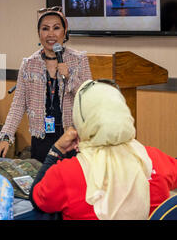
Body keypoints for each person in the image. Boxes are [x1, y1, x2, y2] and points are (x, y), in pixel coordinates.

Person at [30, 80, 177, 220]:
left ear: (81, 122)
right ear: (124, 115)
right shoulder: (154, 158)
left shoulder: (65, 174)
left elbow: (37, 199)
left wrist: (57, 150)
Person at [0, 6, 92, 162]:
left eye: (56, 28)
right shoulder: (28, 64)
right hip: (41, 139)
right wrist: (6, 135)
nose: (51, 34)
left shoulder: (79, 60)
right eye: (45, 29)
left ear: (65, 32)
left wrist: (69, 76)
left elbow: (89, 98)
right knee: (43, 183)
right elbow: (18, 104)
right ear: (39, 33)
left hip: (72, 139)